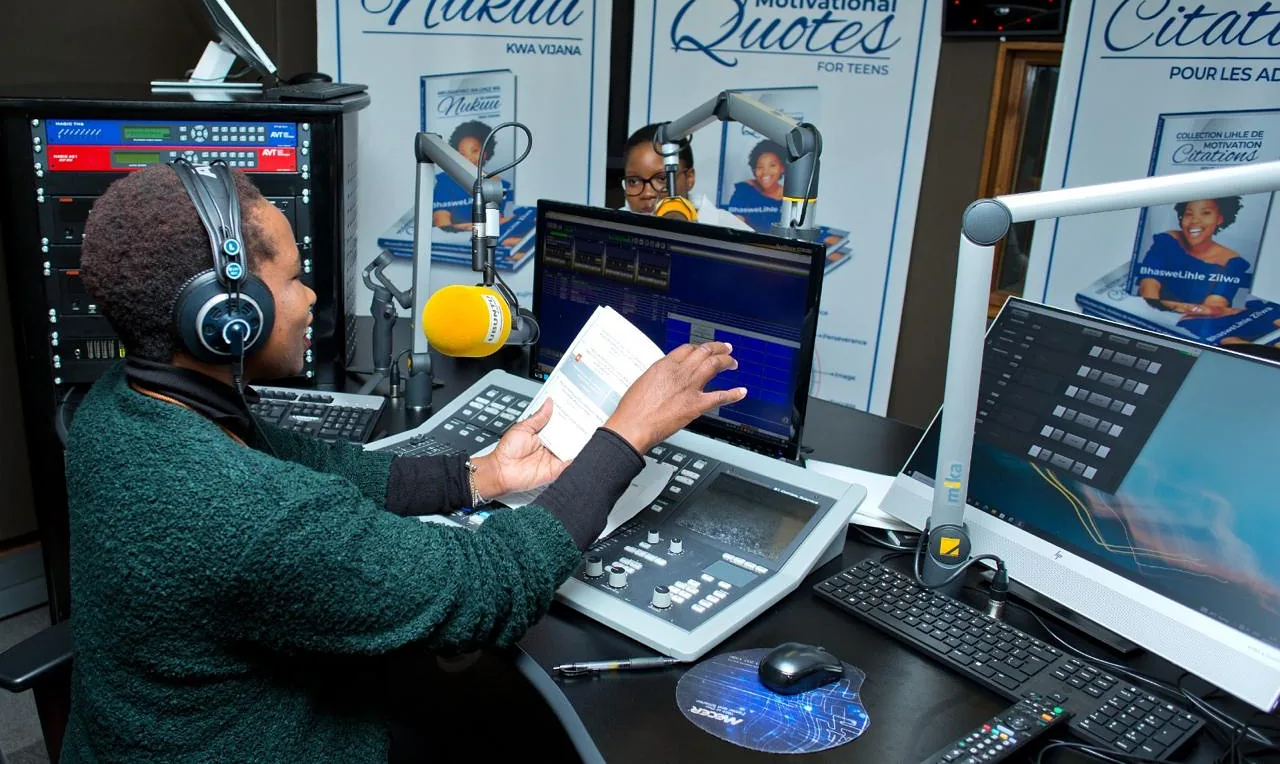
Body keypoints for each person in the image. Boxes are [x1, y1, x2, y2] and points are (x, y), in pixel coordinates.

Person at [64, 162, 747, 762]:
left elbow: (319, 467)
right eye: (293, 279)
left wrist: (481, 475)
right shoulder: (245, 513)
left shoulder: (121, 405)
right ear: (223, 317)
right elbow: (487, 587)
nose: (310, 298)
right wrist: (626, 434)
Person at [1135, 197, 1250, 319]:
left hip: (1191, 325)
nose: (1194, 220)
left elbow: (1211, 308)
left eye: (1206, 213)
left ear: (1219, 219)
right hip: (1151, 316)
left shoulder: (1232, 263)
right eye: (1189, 214)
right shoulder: (1167, 241)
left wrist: (1173, 312)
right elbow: (1148, 287)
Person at [619, 123, 751, 229]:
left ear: (689, 178)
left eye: (662, 178)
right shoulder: (613, 226)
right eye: (633, 181)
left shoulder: (731, 230)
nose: (647, 194)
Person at [432, 120, 515, 230]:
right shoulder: (444, 182)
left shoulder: (497, 183)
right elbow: (442, 224)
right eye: (462, 154)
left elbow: (496, 223)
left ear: (485, 153)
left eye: (474, 151)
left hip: (486, 239)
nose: (468, 158)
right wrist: (477, 228)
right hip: (452, 239)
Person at [725, 138, 786, 232]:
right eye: (760, 167)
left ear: (782, 168)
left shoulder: (790, 198)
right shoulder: (744, 191)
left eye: (772, 165)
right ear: (754, 169)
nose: (765, 172)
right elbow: (734, 224)